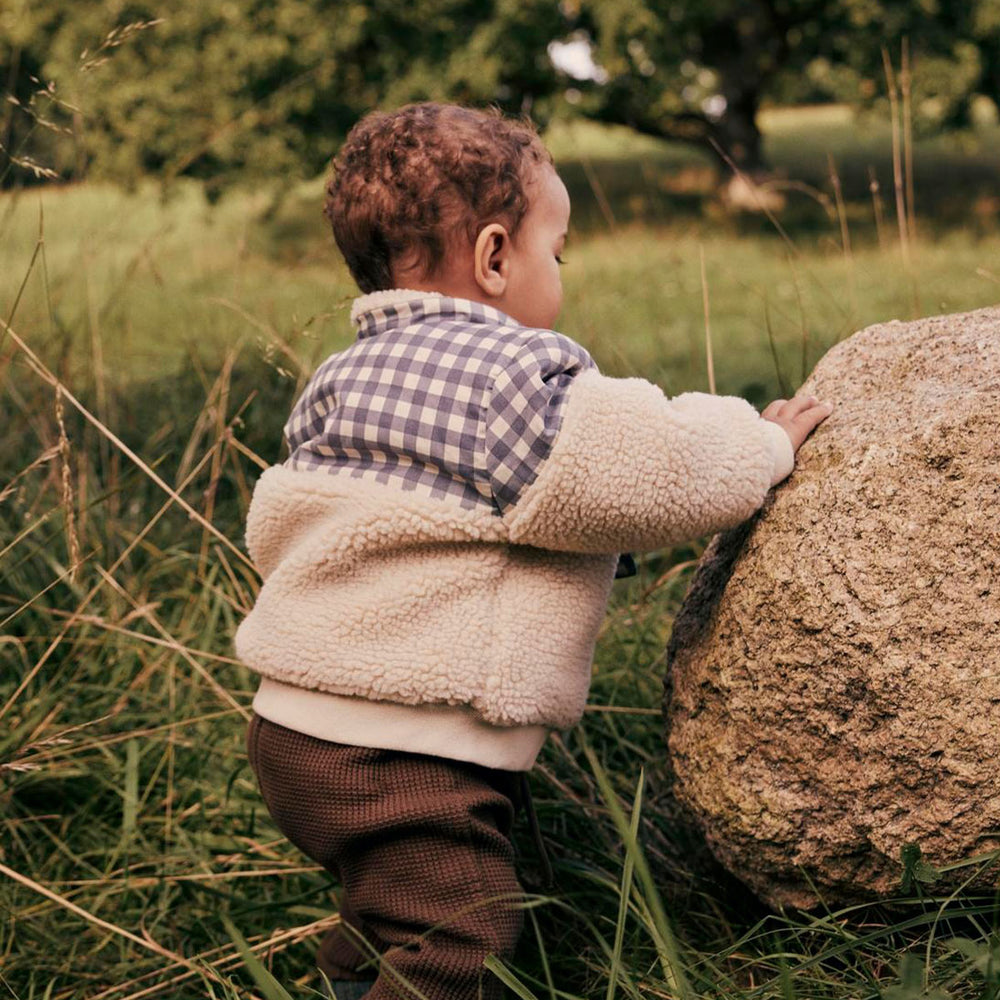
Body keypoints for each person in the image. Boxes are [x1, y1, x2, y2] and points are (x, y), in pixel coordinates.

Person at [236, 102, 832, 1000]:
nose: (563, 271)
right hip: (405, 746)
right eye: (558, 250)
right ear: (493, 258)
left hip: (294, 731)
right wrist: (762, 443)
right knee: (458, 932)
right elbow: (646, 469)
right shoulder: (513, 379)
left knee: (394, 912)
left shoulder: (336, 377)